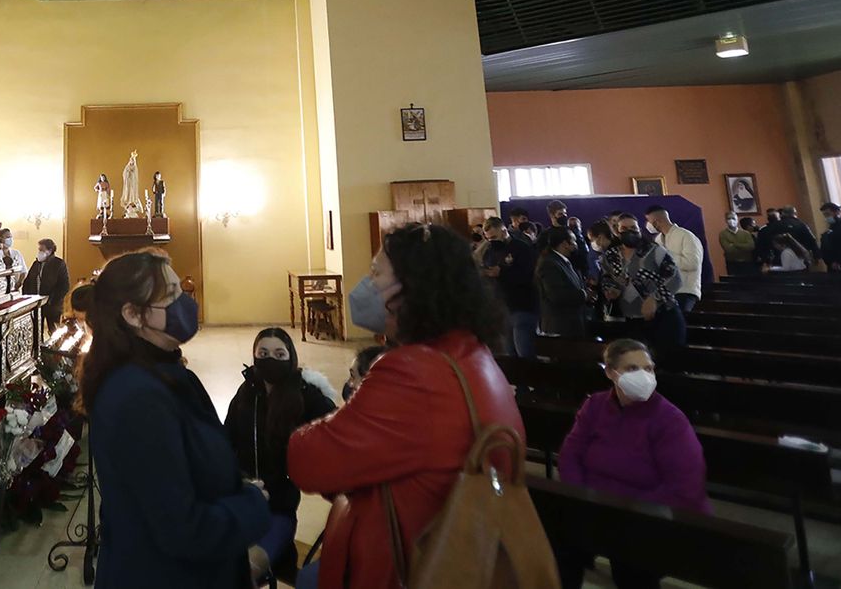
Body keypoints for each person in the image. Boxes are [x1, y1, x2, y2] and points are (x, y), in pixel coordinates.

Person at [287, 223, 521, 589]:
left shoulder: (413, 372)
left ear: (412, 286)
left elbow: (309, 461)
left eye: (376, 273)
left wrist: (338, 417)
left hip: (401, 567)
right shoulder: (474, 352)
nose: (367, 285)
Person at [79, 250, 269, 588]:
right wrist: (251, 506)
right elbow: (181, 528)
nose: (185, 303)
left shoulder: (164, 372)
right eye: (171, 296)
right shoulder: (137, 397)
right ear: (133, 315)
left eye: (181, 290)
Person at [556, 339, 710, 589]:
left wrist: (627, 513)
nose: (643, 376)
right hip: (595, 506)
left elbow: (685, 485)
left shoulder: (669, 419)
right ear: (610, 372)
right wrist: (580, 499)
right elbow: (570, 455)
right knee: (557, 546)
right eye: (631, 369)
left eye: (648, 368)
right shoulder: (595, 405)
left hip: (649, 516)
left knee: (633, 566)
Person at [224, 328, 340, 581]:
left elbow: (338, 429)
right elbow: (225, 441)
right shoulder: (246, 394)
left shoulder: (304, 395)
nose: (270, 360)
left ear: (291, 357)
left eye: (279, 354)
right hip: (240, 503)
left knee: (242, 573)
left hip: (279, 510)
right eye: (263, 353)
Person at [595, 215, 686, 350]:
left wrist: (654, 298)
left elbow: (675, 278)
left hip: (663, 316)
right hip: (630, 321)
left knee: (666, 359)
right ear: (617, 231)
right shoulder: (610, 255)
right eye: (624, 228)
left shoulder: (654, 250)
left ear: (639, 229)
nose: (629, 231)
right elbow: (606, 277)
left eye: (633, 228)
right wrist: (611, 289)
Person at [483, 217, 539, 357]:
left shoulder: (521, 247)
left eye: (494, 237)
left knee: (524, 353)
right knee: (510, 354)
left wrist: (502, 272)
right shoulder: (490, 251)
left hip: (522, 306)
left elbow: (528, 275)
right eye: (488, 238)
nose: (491, 241)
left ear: (503, 231)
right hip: (502, 307)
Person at [645, 206, 703, 312]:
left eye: (648, 221)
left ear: (657, 222)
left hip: (684, 291)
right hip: (664, 292)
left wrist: (665, 256)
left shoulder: (686, 236)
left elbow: (692, 263)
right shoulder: (658, 240)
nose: (647, 225)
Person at [536, 226, 589, 339]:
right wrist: (584, 295)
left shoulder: (563, 261)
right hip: (560, 327)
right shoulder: (549, 264)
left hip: (571, 325)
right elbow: (556, 295)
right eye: (573, 241)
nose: (575, 244)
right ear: (565, 243)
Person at [22, 238, 71, 327]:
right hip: (35, 303)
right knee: (36, 329)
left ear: (50, 250)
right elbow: (28, 281)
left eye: (42, 250)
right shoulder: (36, 264)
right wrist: (27, 298)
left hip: (52, 305)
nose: (39, 252)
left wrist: (51, 299)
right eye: (39, 249)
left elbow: (64, 286)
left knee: (53, 329)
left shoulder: (59, 264)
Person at [547, 200, 591, 280]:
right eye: (560, 214)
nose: (564, 216)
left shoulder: (572, 232)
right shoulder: (546, 235)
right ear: (552, 215)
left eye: (565, 213)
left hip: (576, 271)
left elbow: (583, 252)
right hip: (558, 274)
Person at [718, 211, 758, 276]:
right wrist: (743, 246)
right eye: (729, 218)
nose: (731, 220)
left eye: (733, 218)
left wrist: (734, 244)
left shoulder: (745, 233)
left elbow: (751, 246)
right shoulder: (723, 234)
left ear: (737, 220)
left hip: (747, 263)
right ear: (726, 220)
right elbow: (728, 249)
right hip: (732, 264)